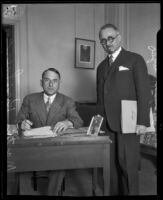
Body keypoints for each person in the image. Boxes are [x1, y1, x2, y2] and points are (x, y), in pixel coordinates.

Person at [96, 24, 151, 195]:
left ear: (119, 37)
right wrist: (98, 124)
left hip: (129, 123)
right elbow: (100, 98)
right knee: (110, 169)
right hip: (107, 125)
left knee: (127, 166)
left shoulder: (135, 59)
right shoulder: (101, 67)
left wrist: (142, 121)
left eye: (110, 38)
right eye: (103, 41)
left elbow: (144, 92)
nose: (107, 43)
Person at [16, 67, 83, 195]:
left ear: (59, 83)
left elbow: (78, 121)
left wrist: (67, 122)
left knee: (60, 162)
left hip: (56, 148)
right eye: (47, 80)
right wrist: (22, 123)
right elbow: (19, 119)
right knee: (19, 162)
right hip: (33, 148)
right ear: (41, 82)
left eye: (55, 81)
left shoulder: (67, 101)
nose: (51, 84)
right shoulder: (29, 99)